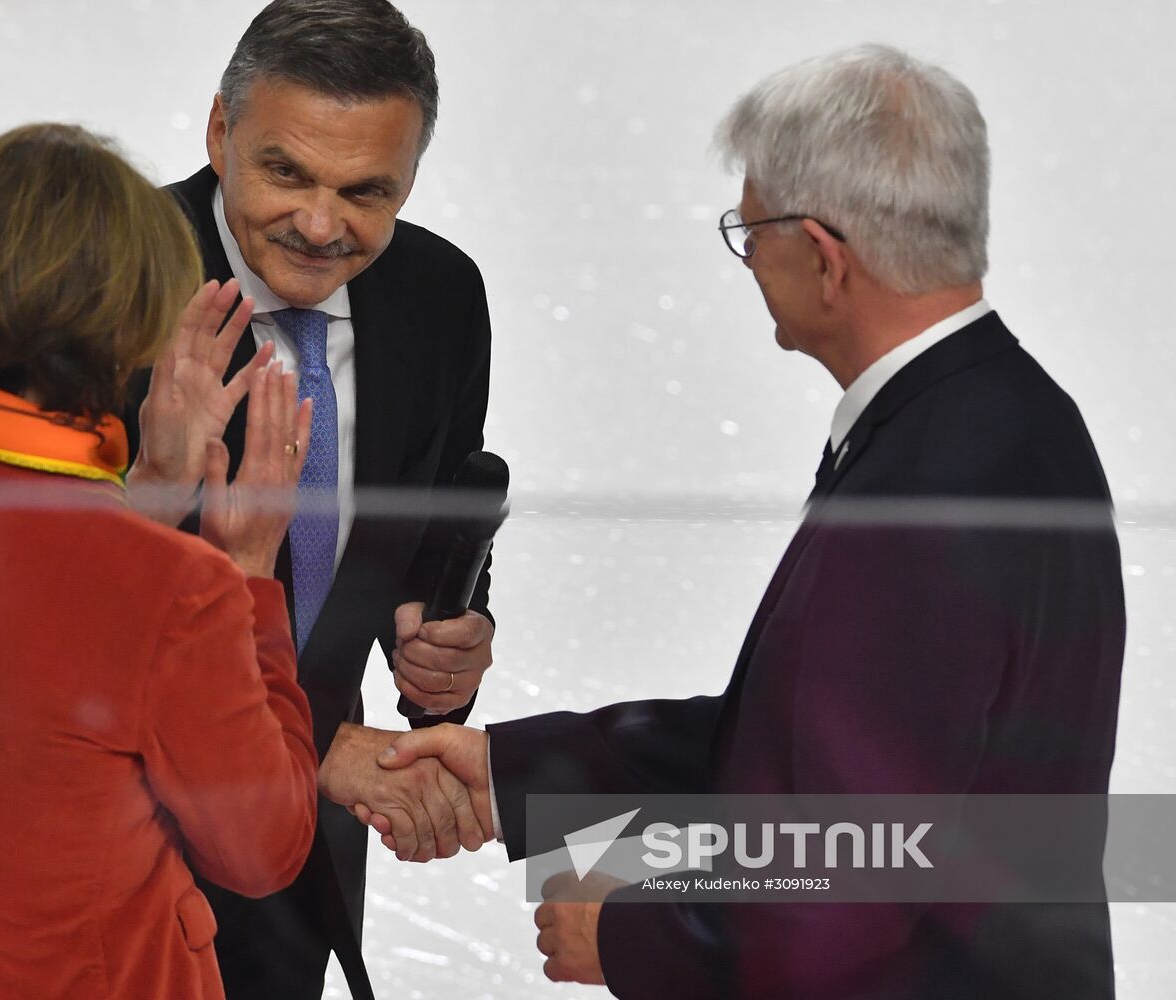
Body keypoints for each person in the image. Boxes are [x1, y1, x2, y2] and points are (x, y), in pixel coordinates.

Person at [371, 44, 1127, 999]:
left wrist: (630, 933)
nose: (748, 255)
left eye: (751, 226)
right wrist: (508, 773)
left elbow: (858, 870)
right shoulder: (1003, 416)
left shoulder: (932, 483)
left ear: (821, 254)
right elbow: (824, 749)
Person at [0, 123, 321, 999]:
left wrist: (142, 491)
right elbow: (260, 850)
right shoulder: (178, 589)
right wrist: (251, 574)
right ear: (134, 322)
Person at [119, 2, 499, 997]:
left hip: (299, 851)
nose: (322, 224)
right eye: (287, 171)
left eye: (366, 190)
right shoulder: (108, 277)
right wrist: (310, 746)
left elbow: (435, 522)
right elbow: (27, 608)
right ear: (219, 132)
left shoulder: (440, 294)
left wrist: (442, 649)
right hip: (105, 836)